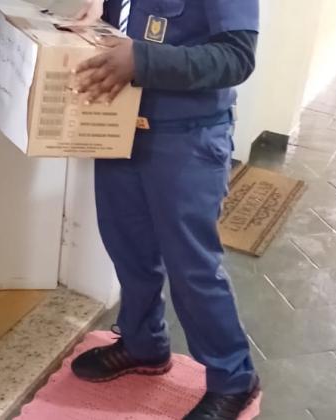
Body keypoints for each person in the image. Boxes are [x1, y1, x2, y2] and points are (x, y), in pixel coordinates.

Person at [70, 0, 261, 418]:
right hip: (120, 128)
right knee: (128, 250)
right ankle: (144, 345)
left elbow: (237, 57)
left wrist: (142, 60)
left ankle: (234, 378)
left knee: (192, 268)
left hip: (187, 140)